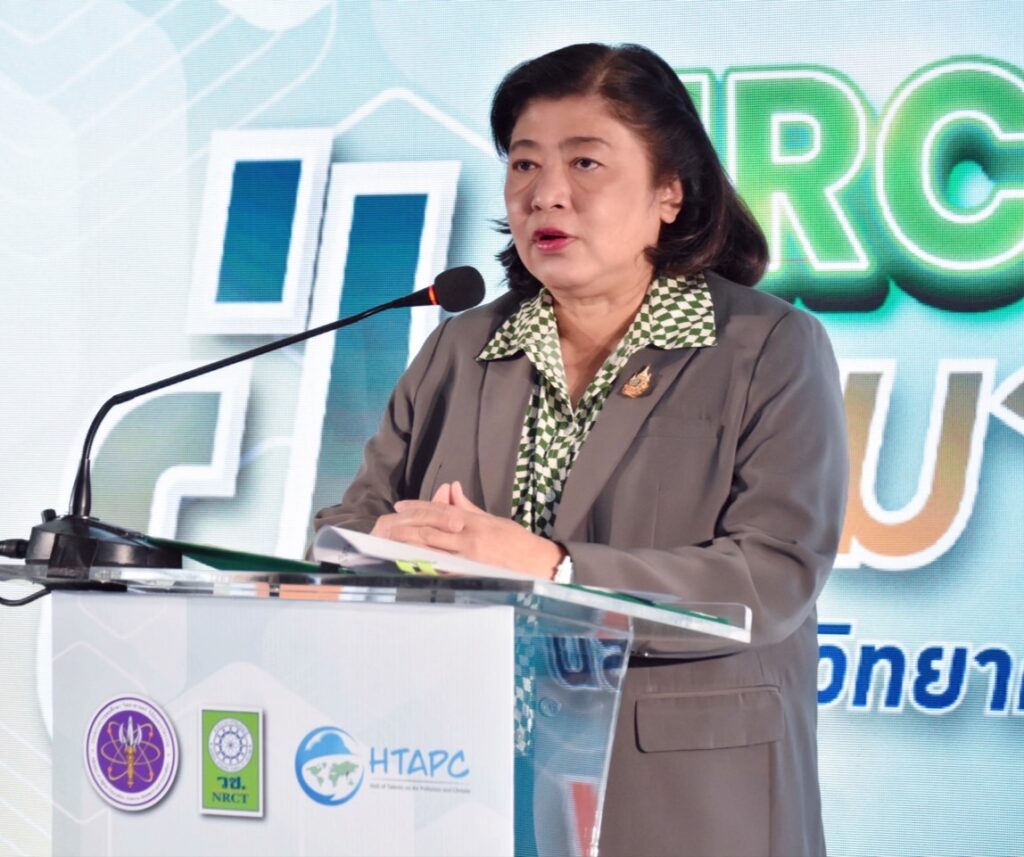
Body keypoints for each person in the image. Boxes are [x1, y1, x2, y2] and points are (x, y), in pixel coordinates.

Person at [313, 42, 847, 857]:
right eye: (524, 164)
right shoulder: (462, 347)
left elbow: (772, 576)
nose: (545, 193)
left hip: (686, 800)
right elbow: (346, 525)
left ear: (670, 192)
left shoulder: (767, 346)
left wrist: (554, 568)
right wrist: (381, 547)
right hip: (465, 785)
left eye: (585, 162)